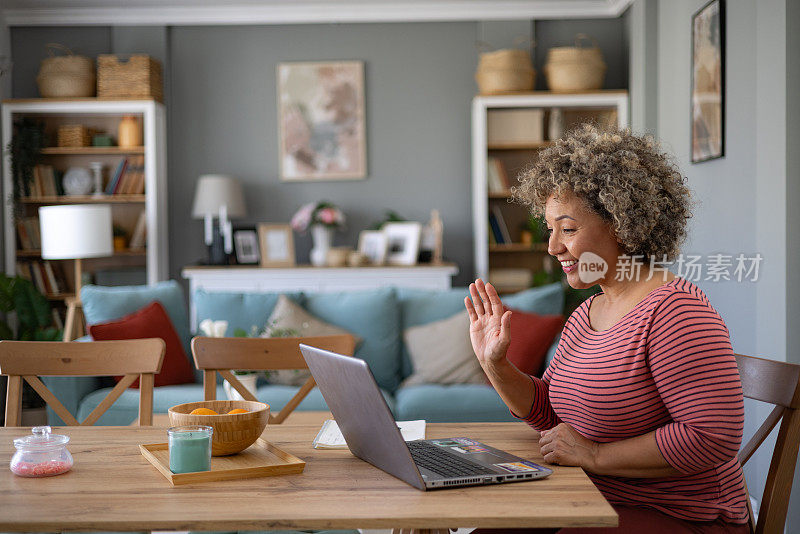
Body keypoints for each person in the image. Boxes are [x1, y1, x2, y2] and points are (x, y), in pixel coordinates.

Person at [465, 125, 749, 534]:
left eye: (568, 229)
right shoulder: (589, 312)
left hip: (680, 517)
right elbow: (551, 416)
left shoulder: (676, 311)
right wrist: (495, 365)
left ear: (620, 223)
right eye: (550, 229)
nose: (552, 247)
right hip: (593, 498)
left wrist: (596, 456)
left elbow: (711, 437)